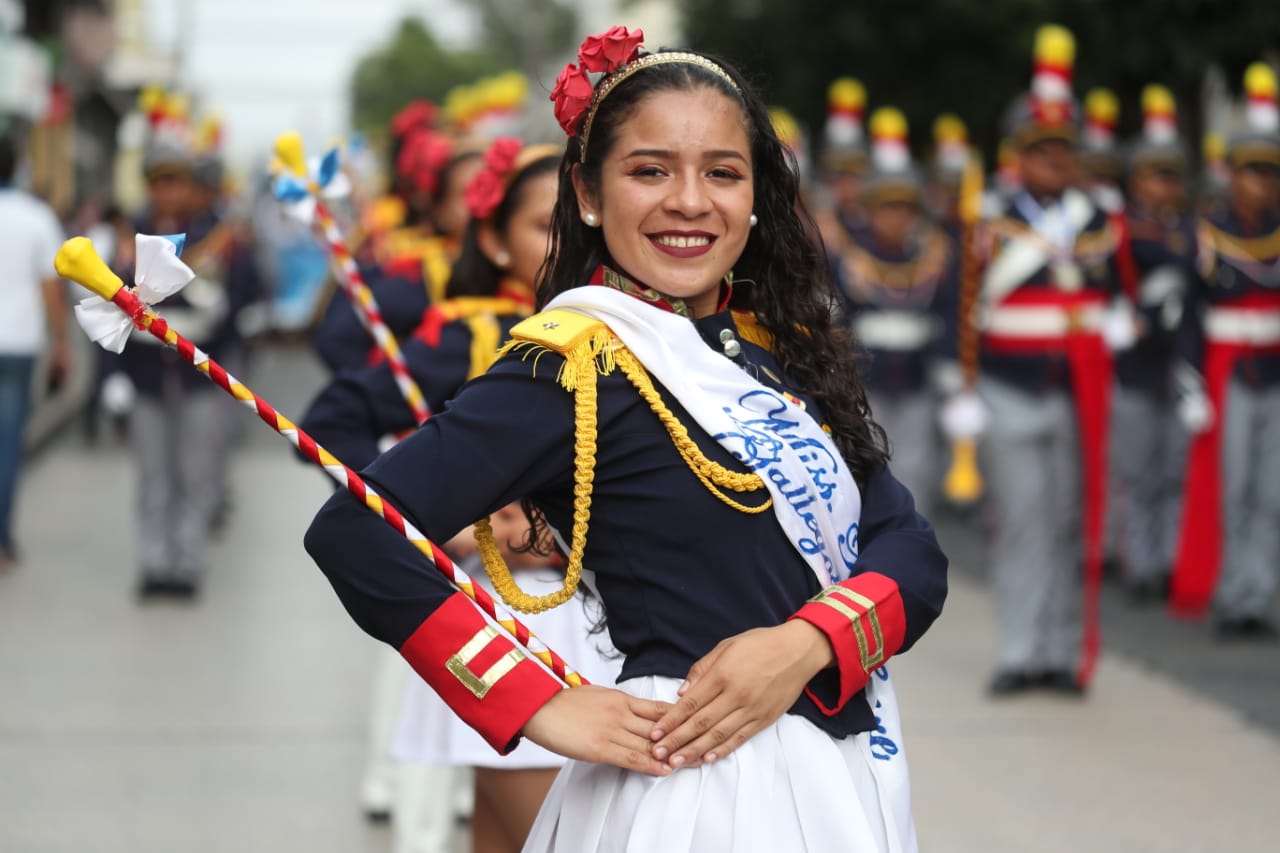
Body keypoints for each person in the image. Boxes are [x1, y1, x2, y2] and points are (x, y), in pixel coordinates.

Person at [306, 26, 946, 852]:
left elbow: (908, 543)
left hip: (833, 776)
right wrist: (536, 698)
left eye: (722, 172)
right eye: (650, 170)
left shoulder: (779, 357)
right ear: (588, 193)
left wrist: (804, 643)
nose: (690, 200)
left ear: (756, 197)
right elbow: (356, 530)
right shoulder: (573, 364)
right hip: (689, 794)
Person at [300, 141, 567, 850]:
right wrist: (435, 524)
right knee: (441, 771)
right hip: (474, 597)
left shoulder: (636, 337)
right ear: (493, 237)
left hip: (591, 622)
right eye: (547, 227)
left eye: (584, 223)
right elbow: (331, 418)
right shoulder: (477, 331)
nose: (569, 247)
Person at [974, 25, 1127, 696]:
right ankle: (1020, 650)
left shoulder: (1099, 217)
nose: (1056, 160)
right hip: (1010, 385)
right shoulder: (991, 217)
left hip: (1077, 390)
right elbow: (963, 301)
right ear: (1020, 156)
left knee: (1071, 522)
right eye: (1043, 150)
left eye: (1065, 150)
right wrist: (961, 383)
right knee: (1021, 522)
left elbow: (1119, 291)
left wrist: (1122, 320)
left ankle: (1063, 652)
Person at [1170, 62, 1280, 638]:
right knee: (1234, 487)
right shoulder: (1207, 235)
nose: (1262, 183)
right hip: (1230, 369)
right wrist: (1191, 382)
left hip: (1275, 368)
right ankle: (1234, 592)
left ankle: (1257, 595)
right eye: (1251, 171)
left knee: (1273, 492)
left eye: (1271, 171)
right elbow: (1189, 316)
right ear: (1231, 175)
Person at [830, 107, 959, 514]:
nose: (895, 217)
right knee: (866, 464)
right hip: (866, 377)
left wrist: (949, 368)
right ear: (869, 209)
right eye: (886, 207)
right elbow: (839, 318)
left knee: (918, 467)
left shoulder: (933, 254)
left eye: (904, 208)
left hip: (918, 375)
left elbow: (947, 312)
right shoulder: (848, 257)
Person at [1109, 85, 1197, 605]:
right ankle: (1139, 561)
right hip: (1135, 364)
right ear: (1138, 178)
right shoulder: (1122, 230)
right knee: (1138, 470)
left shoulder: (1188, 231)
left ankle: (1166, 561)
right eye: (1157, 174)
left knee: (1172, 471)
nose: (1167, 185)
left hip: (1177, 362)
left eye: (1172, 174)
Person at [0, 134, 69, 571]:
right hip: (20, 346)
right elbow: (51, 289)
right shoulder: (36, 217)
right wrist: (62, 343)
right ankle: (1, 541)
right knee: (7, 446)